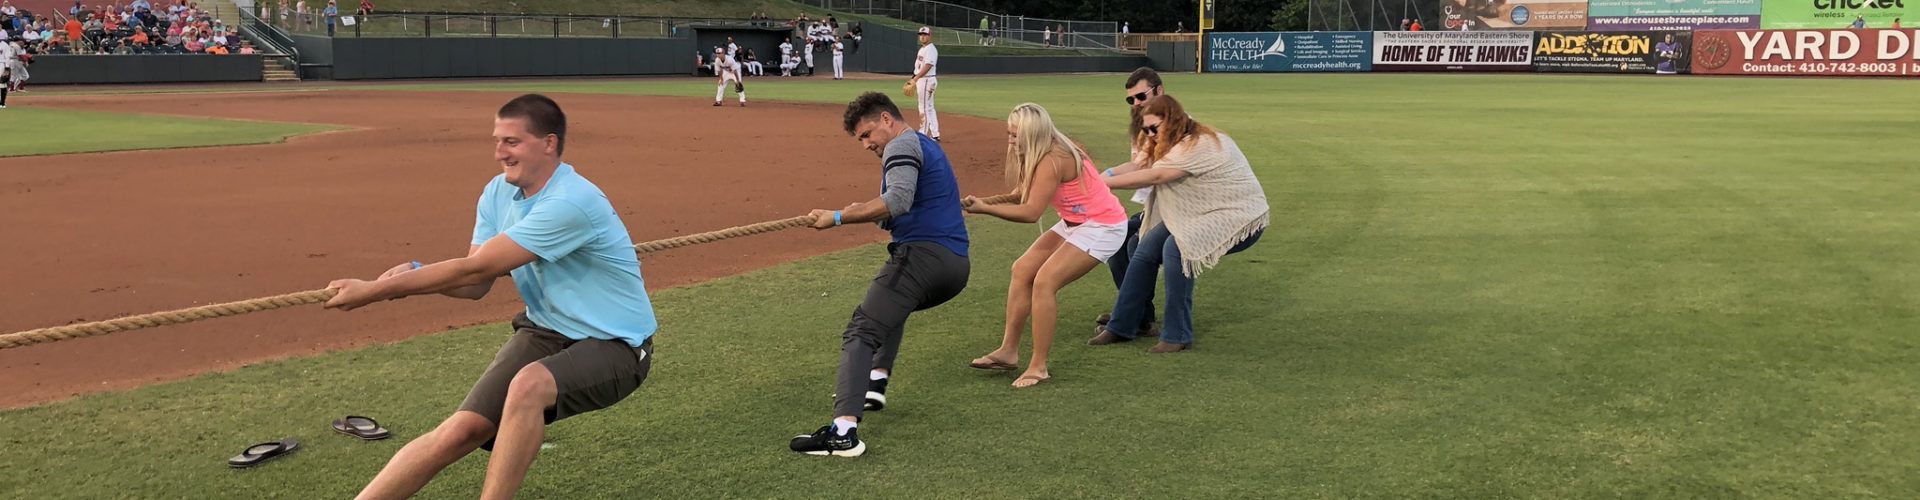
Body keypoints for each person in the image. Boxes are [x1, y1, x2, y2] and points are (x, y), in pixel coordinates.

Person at [326, 95, 657, 500]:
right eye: (497, 140)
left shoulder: (571, 202)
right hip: (547, 330)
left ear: (548, 143)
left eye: (511, 142)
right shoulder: (498, 194)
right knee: (461, 430)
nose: (499, 152)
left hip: (617, 344)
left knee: (528, 385)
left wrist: (376, 290)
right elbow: (475, 285)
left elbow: (475, 270)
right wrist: (413, 274)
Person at [790, 92, 970, 457]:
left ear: (887, 119)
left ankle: (843, 433)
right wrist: (867, 210)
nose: (866, 144)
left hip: (923, 258)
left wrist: (838, 217)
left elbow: (898, 200)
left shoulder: (900, 146)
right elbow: (899, 210)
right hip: (954, 265)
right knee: (890, 311)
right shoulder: (923, 145)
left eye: (867, 134)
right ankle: (875, 382)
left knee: (862, 330)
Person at [963, 103, 1128, 388]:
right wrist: (980, 202)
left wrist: (985, 209)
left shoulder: (1053, 159)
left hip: (1103, 226)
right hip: (1075, 222)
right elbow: (1020, 194)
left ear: (1033, 134)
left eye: (1016, 135)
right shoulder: (1038, 153)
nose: (1010, 141)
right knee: (1022, 269)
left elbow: (1031, 212)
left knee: (1044, 282)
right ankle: (1008, 351)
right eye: (1009, 134)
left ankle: (1038, 367)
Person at [1091, 95, 1269, 353]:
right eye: (1146, 130)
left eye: (1154, 128)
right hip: (1199, 213)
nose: (1150, 135)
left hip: (1239, 215)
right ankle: (1122, 326)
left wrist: (1101, 184)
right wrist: (1103, 175)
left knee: (1175, 248)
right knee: (1144, 249)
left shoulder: (1199, 143)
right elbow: (1141, 166)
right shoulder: (1168, 142)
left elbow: (1157, 175)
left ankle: (1177, 335)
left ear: (1172, 121)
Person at [909, 26, 939, 141]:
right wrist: (913, 78)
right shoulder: (923, 49)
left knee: (924, 107)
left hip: (926, 79)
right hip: (923, 79)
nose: (922, 36)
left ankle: (923, 134)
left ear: (930, 36)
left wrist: (916, 78)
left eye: (925, 34)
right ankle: (935, 133)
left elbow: (928, 65)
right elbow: (919, 66)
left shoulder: (930, 49)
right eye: (921, 34)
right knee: (929, 107)